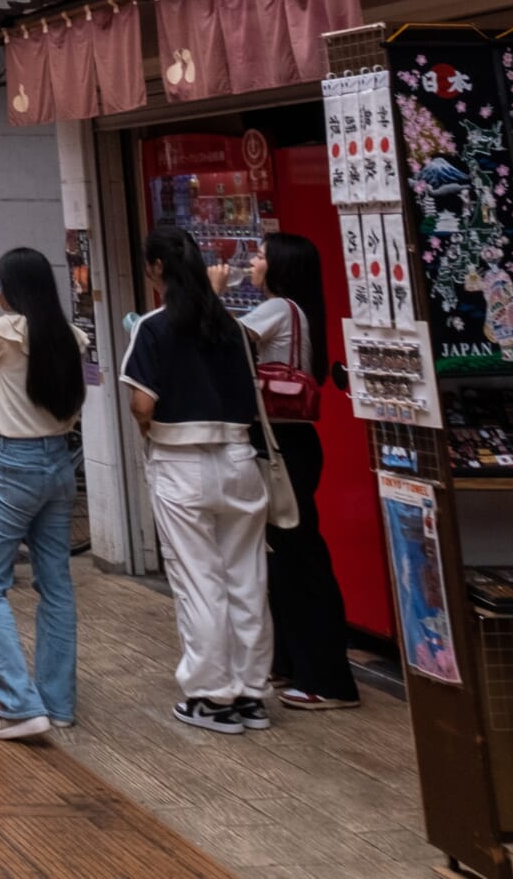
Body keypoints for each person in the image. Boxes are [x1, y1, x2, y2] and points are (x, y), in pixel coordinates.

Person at [123, 225, 274, 733]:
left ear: (158, 269)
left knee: (199, 581)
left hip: (181, 461)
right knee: (246, 578)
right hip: (240, 459)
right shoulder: (231, 326)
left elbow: (142, 404)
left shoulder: (154, 326)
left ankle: (211, 695)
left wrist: (150, 426)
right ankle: (252, 691)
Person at [0, 246, 88, 739]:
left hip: (12, 465)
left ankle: (18, 703)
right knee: (55, 583)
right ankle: (59, 703)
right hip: (57, 463)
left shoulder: (4, 332)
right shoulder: (70, 337)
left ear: (9, 286)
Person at [244, 233, 358, 711]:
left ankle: (328, 680)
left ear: (280, 267)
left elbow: (221, 344)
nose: (253, 261)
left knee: (298, 557)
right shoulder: (298, 309)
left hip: (280, 445)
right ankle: (294, 664)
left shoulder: (278, 309)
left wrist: (201, 294)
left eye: (262, 255)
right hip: (289, 443)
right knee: (286, 557)